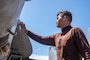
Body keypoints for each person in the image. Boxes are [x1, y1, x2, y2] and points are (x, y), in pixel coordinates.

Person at [19, 10, 90, 60]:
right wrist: (26, 32)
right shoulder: (57, 36)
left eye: (58, 18)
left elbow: (86, 50)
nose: (56, 21)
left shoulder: (75, 31)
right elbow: (42, 39)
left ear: (65, 18)